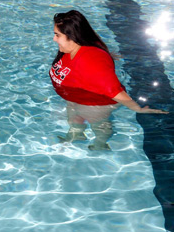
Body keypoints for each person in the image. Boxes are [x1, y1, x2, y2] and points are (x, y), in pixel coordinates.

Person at [49, 10, 168, 150]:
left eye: (57, 35)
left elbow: (113, 90)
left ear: (72, 36)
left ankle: (100, 145)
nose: (54, 39)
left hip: (96, 105)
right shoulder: (71, 50)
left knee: (99, 127)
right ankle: (77, 135)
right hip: (79, 99)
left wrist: (137, 109)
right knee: (74, 119)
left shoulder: (91, 60)